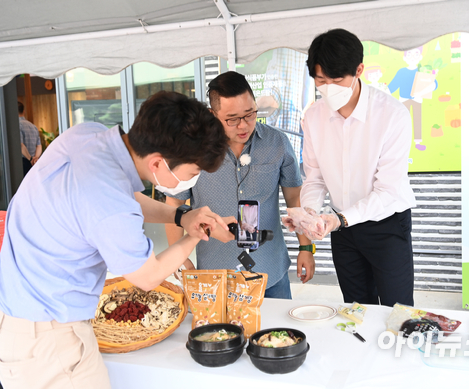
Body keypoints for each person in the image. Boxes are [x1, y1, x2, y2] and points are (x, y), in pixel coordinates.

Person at [0, 91, 234, 389]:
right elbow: (147, 276)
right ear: (158, 164)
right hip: (51, 341)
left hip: (22, 323)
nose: (194, 178)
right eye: (194, 171)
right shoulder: (108, 201)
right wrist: (194, 236)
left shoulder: (89, 134)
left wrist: (181, 217)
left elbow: (125, 198)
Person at [164, 71, 315, 299]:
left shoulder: (277, 144)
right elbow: (174, 204)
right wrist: (178, 257)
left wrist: (306, 247)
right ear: (212, 115)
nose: (243, 125)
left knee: (278, 335)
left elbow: (295, 199)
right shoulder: (194, 151)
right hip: (215, 275)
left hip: (270, 271)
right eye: (232, 119)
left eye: (250, 114)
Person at [298, 28, 416, 306]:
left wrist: (340, 218)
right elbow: (314, 178)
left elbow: (388, 190)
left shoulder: (392, 115)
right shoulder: (313, 117)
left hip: (387, 225)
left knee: (396, 309)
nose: (328, 89)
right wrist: (310, 215)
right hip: (342, 230)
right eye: (320, 81)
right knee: (356, 308)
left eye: (337, 80)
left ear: (359, 70)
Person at [387, 47, 438, 151]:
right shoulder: (401, 72)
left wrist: (429, 85)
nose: (412, 57)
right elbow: (393, 86)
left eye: (416, 54)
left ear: (420, 57)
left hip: (417, 100)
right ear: (404, 58)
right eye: (409, 55)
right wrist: (383, 91)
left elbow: (434, 84)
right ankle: (401, 143)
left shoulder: (423, 70)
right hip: (403, 100)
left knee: (417, 119)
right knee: (402, 122)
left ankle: (418, 142)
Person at [18, 101, 42, 176]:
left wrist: (31, 159)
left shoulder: (17, 126)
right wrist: (36, 158)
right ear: (24, 112)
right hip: (34, 163)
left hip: (23, 163)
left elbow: (21, 145)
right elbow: (39, 145)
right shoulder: (33, 126)